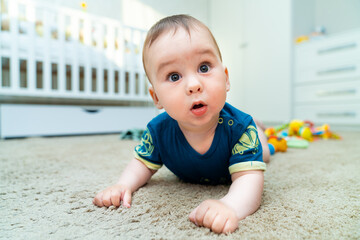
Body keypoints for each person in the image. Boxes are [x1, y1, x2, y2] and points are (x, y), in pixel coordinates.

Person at [93, 14, 270, 234]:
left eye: (204, 68)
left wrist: (229, 205)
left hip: (242, 146)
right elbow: (142, 163)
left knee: (263, 154)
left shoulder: (240, 128)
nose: (194, 85)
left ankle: (261, 133)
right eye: (174, 76)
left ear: (226, 79)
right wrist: (123, 185)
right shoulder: (158, 131)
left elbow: (249, 180)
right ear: (156, 97)